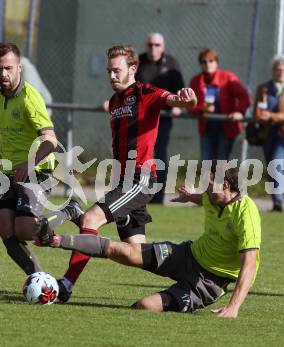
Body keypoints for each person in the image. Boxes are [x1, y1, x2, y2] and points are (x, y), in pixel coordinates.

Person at [36, 45, 197, 303]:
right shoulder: (114, 102)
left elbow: (178, 101)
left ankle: (65, 284)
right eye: (109, 71)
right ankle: (187, 272)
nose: (111, 76)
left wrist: (187, 99)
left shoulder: (146, 93)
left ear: (132, 69)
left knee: (91, 220)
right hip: (123, 180)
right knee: (134, 253)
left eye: (117, 71)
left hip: (141, 179)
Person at [37, 163, 261, 318]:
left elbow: (250, 264)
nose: (205, 185)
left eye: (210, 182)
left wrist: (233, 307)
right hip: (187, 255)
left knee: (144, 307)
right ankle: (56, 240)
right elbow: (203, 198)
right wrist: (189, 197)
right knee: (124, 251)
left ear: (226, 186)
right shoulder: (214, 196)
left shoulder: (246, 213)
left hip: (207, 283)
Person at [0, 42, 82, 276]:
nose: (3, 74)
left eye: (8, 68)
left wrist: (29, 164)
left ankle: (69, 209)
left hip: (36, 171)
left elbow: (50, 140)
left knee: (25, 229)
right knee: (4, 226)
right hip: (8, 172)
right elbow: (5, 137)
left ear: (19, 68)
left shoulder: (30, 98)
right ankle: (38, 278)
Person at [135, 33, 185, 204]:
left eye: (157, 45)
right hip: (141, 117)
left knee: (160, 155)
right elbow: (128, 85)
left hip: (163, 117)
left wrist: (177, 104)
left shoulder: (171, 63)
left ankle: (157, 196)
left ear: (162, 47)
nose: (153, 48)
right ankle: (137, 193)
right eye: (150, 44)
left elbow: (179, 87)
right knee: (138, 155)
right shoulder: (138, 62)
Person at [254, 54, 284, 212]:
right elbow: (258, 110)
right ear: (273, 70)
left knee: (277, 162)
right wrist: (261, 115)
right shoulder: (264, 88)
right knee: (270, 165)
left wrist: (272, 116)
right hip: (267, 131)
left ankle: (278, 201)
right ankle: (275, 200)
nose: (281, 73)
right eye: (278, 69)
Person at [189, 48, 250, 161]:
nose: (208, 64)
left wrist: (239, 112)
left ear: (216, 62)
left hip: (226, 127)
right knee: (206, 162)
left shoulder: (228, 77)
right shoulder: (196, 81)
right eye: (204, 61)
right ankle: (208, 179)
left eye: (211, 60)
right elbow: (190, 106)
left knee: (221, 162)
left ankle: (222, 179)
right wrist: (202, 109)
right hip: (207, 127)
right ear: (200, 64)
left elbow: (244, 96)